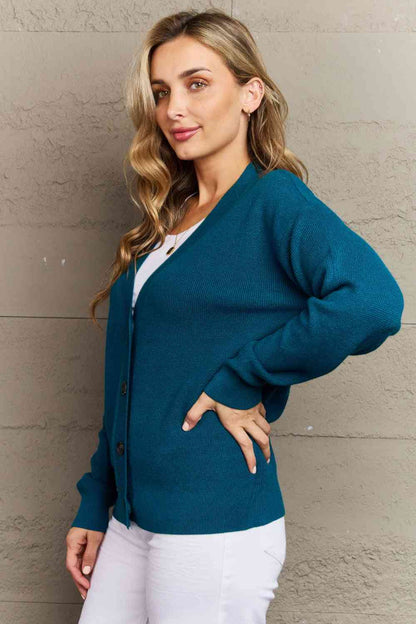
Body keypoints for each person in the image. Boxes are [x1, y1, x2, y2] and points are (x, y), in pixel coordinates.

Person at [65, 8, 404, 624]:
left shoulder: (274, 200)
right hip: (132, 522)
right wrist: (97, 500)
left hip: (212, 526)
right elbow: (130, 381)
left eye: (197, 84)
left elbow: (373, 301)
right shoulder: (166, 220)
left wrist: (245, 376)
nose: (174, 108)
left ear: (251, 94)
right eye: (161, 92)